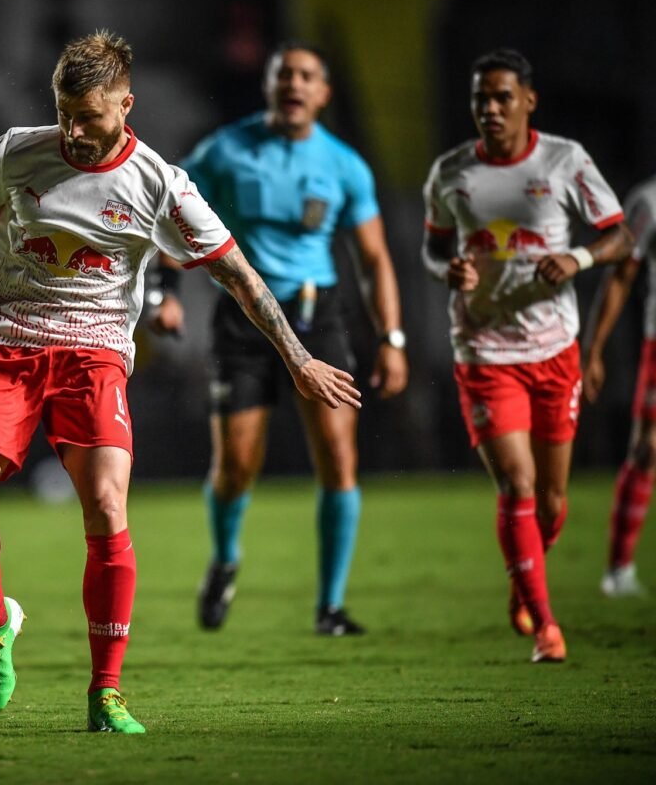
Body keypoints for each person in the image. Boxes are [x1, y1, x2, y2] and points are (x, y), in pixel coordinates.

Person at [0, 30, 361, 734]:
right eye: (63, 113)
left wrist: (297, 356)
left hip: (94, 355)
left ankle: (105, 694)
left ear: (125, 105)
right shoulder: (22, 149)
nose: (74, 131)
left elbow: (237, 275)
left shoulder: (160, 184)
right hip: (4, 344)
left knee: (107, 511)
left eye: (89, 116)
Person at [149, 42, 408, 635]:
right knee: (237, 464)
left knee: (339, 458)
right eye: (283, 74)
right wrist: (163, 295)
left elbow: (374, 259)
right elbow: (170, 214)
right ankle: (225, 558)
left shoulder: (344, 165)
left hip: (319, 316)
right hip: (244, 319)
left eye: (306, 76)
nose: (293, 83)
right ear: (269, 87)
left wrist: (392, 337)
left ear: (323, 93)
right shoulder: (226, 150)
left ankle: (331, 606)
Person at [421, 48, 633, 663]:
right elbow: (434, 251)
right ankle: (546, 625)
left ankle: (524, 576)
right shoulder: (451, 172)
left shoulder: (563, 159)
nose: (488, 108)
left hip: (554, 348)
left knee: (553, 501)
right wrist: (449, 270)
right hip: (484, 350)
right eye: (479, 98)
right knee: (517, 482)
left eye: (501, 97)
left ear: (528, 100)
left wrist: (580, 258)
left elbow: (620, 234)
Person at [583, 174, 656, 597]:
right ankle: (619, 569)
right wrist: (594, 349)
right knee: (647, 450)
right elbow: (621, 277)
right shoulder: (647, 201)